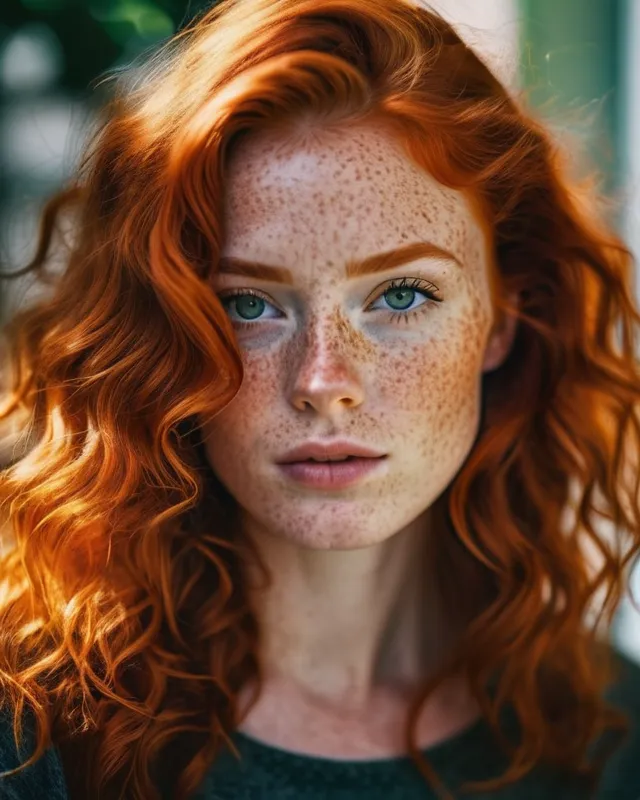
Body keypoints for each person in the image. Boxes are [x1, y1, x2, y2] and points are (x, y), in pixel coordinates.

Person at [0, 0, 639, 797]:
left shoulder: (609, 731)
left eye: (402, 295)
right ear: (163, 335)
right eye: (247, 305)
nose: (324, 383)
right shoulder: (33, 731)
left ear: (505, 318)